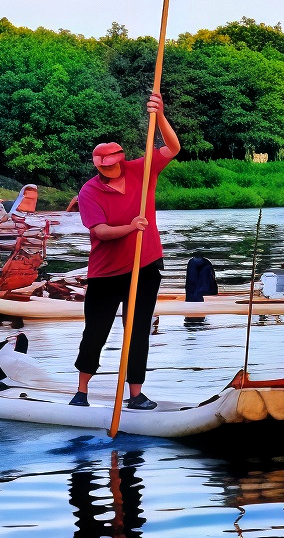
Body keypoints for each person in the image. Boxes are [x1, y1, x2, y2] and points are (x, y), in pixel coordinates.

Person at [72, 92, 180, 408]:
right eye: (102, 166)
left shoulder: (141, 170)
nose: (108, 169)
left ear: (120, 159)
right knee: (96, 332)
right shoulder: (89, 190)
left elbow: (173, 148)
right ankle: (81, 392)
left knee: (137, 330)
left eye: (112, 164)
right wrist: (131, 227)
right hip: (106, 273)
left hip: (145, 265)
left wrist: (160, 114)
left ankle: (135, 395)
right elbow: (100, 232)